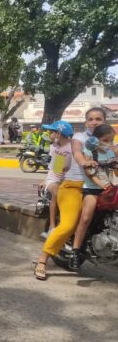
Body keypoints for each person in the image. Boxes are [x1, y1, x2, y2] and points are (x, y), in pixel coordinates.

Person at [34, 107, 107, 280]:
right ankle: (43, 260)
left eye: (98, 119)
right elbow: (75, 156)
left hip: (99, 186)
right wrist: (84, 162)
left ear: (105, 120)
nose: (94, 122)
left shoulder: (108, 138)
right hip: (73, 187)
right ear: (86, 122)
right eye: (91, 119)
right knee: (68, 225)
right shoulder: (78, 138)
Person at [70, 123, 117, 270]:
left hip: (110, 188)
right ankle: (75, 252)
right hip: (93, 189)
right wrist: (100, 184)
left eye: (111, 140)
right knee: (85, 218)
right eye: (106, 140)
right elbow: (90, 173)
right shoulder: (89, 151)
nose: (109, 143)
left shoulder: (111, 152)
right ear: (96, 139)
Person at [38, 121, 73, 239]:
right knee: (57, 193)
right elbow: (57, 169)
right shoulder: (55, 147)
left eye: (51, 132)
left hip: (68, 180)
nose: (49, 134)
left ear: (58, 134)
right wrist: (46, 180)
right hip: (54, 180)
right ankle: (52, 227)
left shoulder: (72, 147)